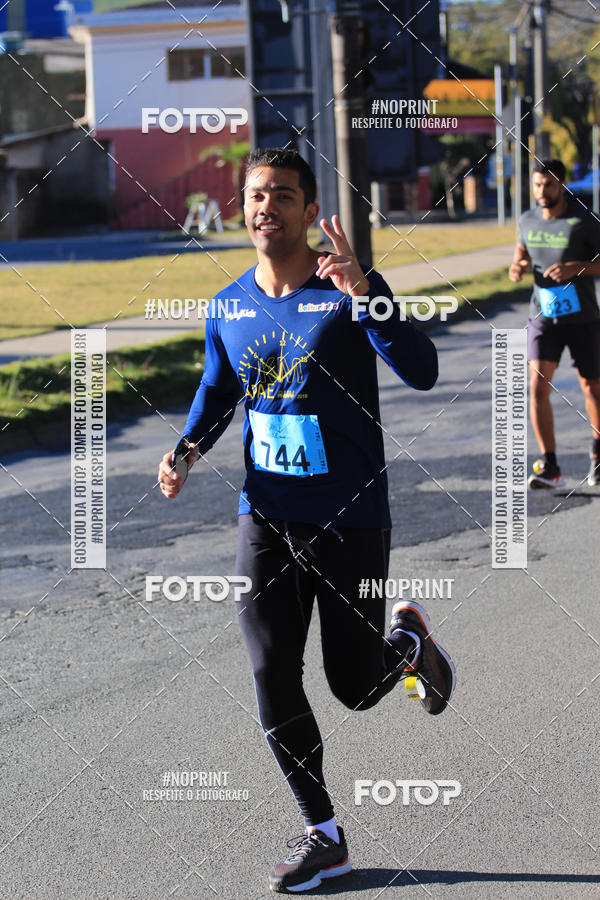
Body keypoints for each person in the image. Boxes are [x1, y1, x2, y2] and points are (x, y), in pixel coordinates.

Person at [158, 148, 455, 894]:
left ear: (310, 209)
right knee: (269, 670)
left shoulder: (345, 293)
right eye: (256, 195)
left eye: (283, 196)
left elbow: (422, 368)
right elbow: (218, 391)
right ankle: (323, 834)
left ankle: (408, 645)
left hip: (351, 516)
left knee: (352, 686)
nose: (266, 208)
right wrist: (186, 450)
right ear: (243, 207)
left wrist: (369, 291)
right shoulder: (228, 305)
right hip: (265, 512)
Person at [509, 158, 600, 488]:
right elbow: (521, 252)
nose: (542, 191)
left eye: (548, 184)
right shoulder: (527, 220)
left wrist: (577, 268)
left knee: (591, 387)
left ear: (562, 186)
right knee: (536, 387)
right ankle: (550, 466)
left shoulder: (583, 221)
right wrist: (517, 266)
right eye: (537, 185)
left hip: (583, 318)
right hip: (543, 315)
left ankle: (597, 452)